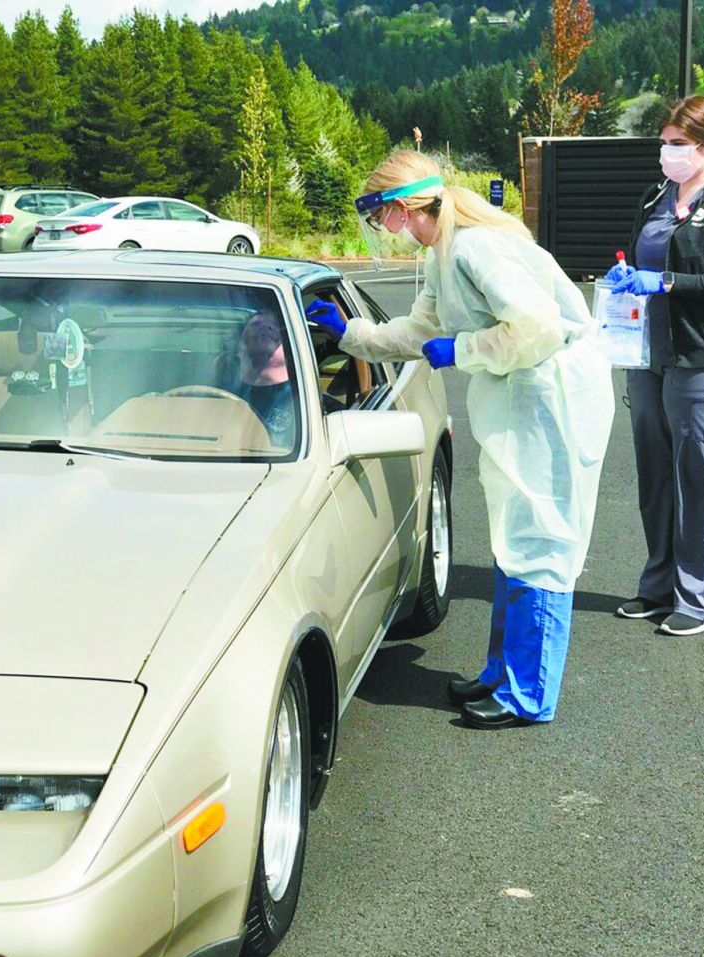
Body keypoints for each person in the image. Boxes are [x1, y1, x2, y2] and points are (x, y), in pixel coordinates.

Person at [306, 151, 615, 729]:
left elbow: (538, 327)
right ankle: (502, 673)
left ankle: (527, 695)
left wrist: (465, 349)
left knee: (539, 539)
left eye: (380, 217)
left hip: (552, 397)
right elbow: (418, 331)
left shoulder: (475, 246)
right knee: (513, 536)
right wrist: (350, 333)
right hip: (520, 392)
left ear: (400, 208)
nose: (381, 231)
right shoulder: (444, 250)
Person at [608, 96, 704, 637]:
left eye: (677, 144)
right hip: (646, 353)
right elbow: (641, 257)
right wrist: (626, 278)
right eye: (663, 142)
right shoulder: (657, 193)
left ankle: (701, 598)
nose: (667, 152)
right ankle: (658, 585)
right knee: (656, 476)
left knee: (700, 480)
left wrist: (668, 283)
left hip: (703, 356)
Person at [234, 311, 295, 449]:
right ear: (241, 343)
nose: (266, 328)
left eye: (274, 326)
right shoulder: (224, 391)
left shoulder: (305, 397)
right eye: (256, 324)